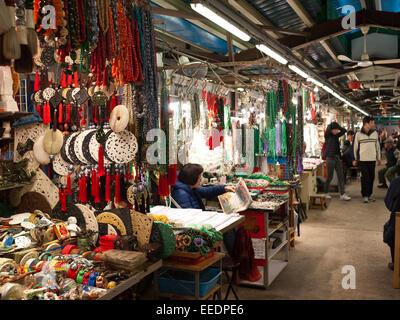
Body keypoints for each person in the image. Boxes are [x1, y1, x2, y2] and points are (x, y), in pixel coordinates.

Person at [353, 116, 381, 203]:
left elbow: (378, 147)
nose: (373, 124)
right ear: (366, 124)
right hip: (363, 160)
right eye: (372, 123)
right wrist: (355, 159)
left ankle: (370, 194)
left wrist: (379, 158)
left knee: (372, 177)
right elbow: (355, 147)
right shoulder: (358, 134)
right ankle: (365, 195)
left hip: (372, 159)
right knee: (365, 177)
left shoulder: (375, 133)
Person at [323, 122, 351, 201]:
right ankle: (326, 192)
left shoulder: (336, 136)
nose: (336, 131)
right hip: (330, 158)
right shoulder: (327, 136)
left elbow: (344, 130)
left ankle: (342, 194)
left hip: (337, 158)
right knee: (330, 176)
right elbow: (328, 130)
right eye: (334, 130)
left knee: (341, 176)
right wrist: (330, 126)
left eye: (337, 129)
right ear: (331, 129)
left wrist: (338, 127)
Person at [383, 176, 400, 270]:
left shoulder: (396, 182)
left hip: (397, 224)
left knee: (389, 231)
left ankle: (396, 262)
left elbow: (388, 203)